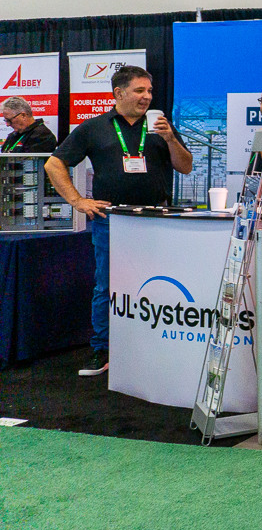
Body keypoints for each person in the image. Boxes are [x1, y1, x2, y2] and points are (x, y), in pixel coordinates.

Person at [45, 66, 193, 378]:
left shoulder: (161, 126)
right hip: (112, 221)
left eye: (149, 91)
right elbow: (54, 164)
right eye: (140, 90)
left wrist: (170, 139)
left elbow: (185, 166)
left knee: (160, 284)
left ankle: (157, 345)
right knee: (107, 286)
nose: (147, 97)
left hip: (156, 219)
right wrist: (78, 201)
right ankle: (102, 349)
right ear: (119, 93)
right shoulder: (94, 127)